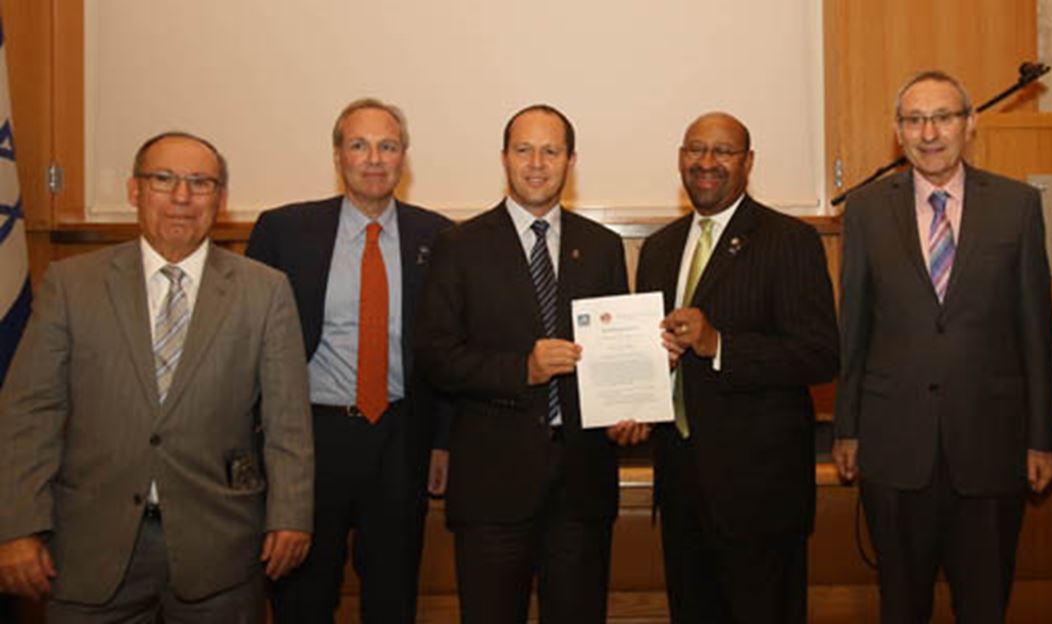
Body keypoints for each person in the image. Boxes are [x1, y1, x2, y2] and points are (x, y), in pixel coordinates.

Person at [0, 131, 313, 621]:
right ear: (134, 191)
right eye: (164, 180)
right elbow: (29, 413)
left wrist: (291, 516)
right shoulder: (72, 285)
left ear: (221, 198)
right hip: (91, 550)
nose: (182, 197)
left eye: (200, 182)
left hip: (221, 553)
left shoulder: (265, 291)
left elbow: (287, 421)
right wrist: (17, 526)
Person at [833, 71, 1052, 623]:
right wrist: (847, 427)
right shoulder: (864, 210)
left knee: (984, 604)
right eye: (914, 120)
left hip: (992, 448)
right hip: (894, 447)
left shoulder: (1018, 206)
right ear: (897, 131)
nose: (929, 132)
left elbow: (1035, 328)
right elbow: (854, 329)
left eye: (943, 117)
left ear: (970, 124)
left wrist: (1043, 437)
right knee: (901, 605)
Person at [416, 104, 644, 624]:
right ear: (504, 158)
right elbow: (436, 357)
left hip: (582, 484)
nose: (537, 163)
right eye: (524, 150)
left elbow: (617, 352)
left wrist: (628, 407)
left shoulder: (602, 246)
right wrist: (523, 369)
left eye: (550, 150)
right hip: (493, 489)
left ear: (571, 161)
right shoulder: (458, 246)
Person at [245, 98, 453, 623]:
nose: (374, 159)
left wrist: (442, 440)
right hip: (311, 439)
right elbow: (247, 344)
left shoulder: (441, 237)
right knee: (303, 596)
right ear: (338, 155)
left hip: (400, 436)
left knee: (393, 595)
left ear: (404, 157)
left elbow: (448, 347)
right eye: (359, 145)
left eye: (387, 146)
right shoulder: (284, 231)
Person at [634, 111, 838, 623]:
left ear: (747, 163)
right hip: (681, 490)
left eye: (722, 152)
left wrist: (720, 344)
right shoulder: (659, 249)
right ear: (680, 158)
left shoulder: (789, 240)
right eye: (695, 149)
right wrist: (633, 400)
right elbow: (651, 354)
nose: (706, 163)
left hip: (759, 498)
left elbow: (819, 354)